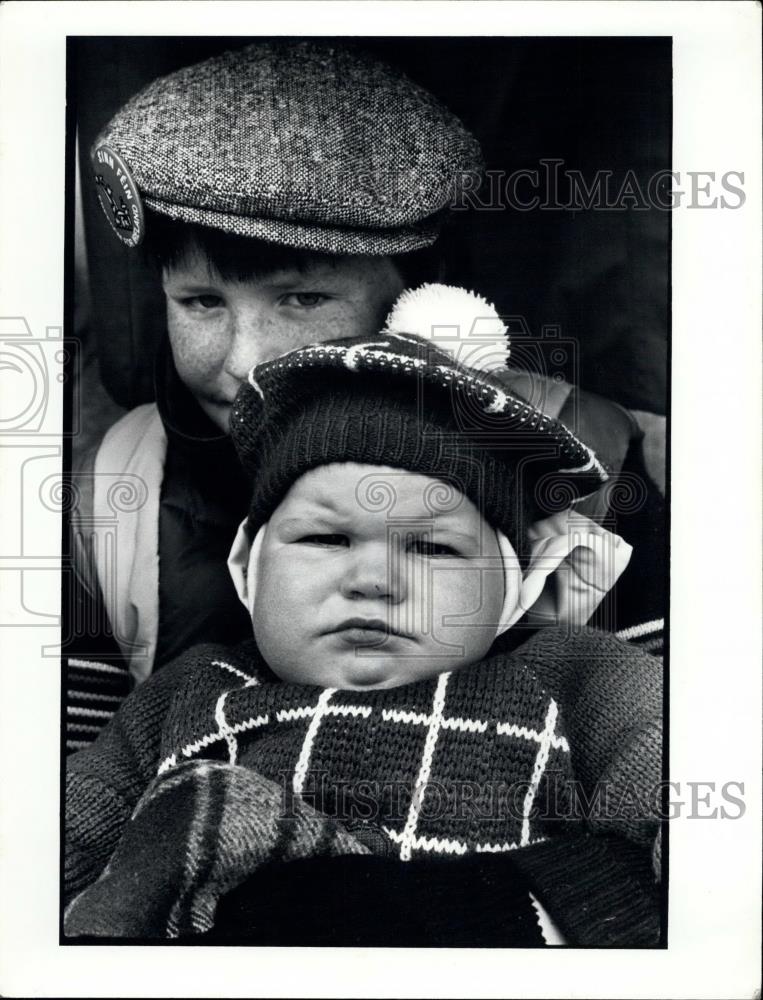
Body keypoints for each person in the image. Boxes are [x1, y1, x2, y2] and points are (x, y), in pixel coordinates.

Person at [66, 40, 660, 747]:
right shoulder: (111, 491)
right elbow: (69, 792)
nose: (244, 362)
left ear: (422, 298)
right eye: (199, 303)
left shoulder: (584, 468)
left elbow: (656, 766)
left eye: (302, 298)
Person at [65, 287, 662, 946]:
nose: (374, 581)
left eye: (433, 547)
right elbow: (58, 841)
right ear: (247, 568)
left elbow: (670, 795)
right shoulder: (189, 687)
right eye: (325, 539)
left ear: (510, 592)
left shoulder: (572, 674)